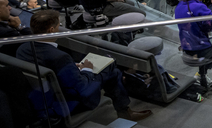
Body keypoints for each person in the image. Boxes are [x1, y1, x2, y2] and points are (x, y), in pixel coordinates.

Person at [16, 9, 152, 120]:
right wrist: (87, 69)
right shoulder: (60, 57)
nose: (60, 27)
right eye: (59, 25)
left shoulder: (22, 48)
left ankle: (124, 108)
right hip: (68, 103)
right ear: (51, 30)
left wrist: (72, 68)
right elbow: (83, 89)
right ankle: (124, 110)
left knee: (110, 71)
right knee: (111, 69)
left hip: (41, 101)